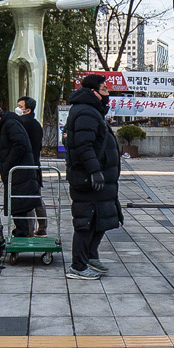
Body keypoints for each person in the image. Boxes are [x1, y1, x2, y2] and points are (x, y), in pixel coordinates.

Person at [62, 72, 121, 279]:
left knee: (101, 219)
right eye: (104, 90)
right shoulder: (86, 112)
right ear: (93, 92)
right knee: (86, 222)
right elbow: (83, 146)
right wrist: (94, 170)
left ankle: (90, 255)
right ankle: (78, 266)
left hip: (101, 178)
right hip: (87, 179)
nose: (107, 93)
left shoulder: (92, 111)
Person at [0, 103, 42, 236]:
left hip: (20, 173)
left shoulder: (10, 124)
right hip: (17, 173)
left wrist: (8, 164)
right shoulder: (7, 125)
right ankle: (20, 232)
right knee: (16, 206)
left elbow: (19, 145)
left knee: (19, 206)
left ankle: (21, 233)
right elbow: (3, 152)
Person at [15, 96, 47, 161]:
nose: (17, 109)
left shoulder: (21, 124)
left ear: (28, 110)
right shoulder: (36, 124)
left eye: (20, 107)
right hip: (34, 161)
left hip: (23, 162)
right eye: (17, 106)